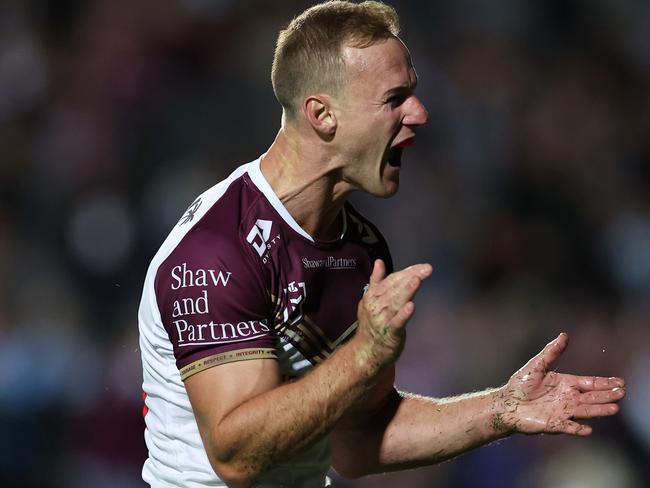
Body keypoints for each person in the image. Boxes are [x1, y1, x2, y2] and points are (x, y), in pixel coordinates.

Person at [138, 2, 626, 487]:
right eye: (395, 98)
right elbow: (236, 456)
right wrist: (364, 356)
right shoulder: (217, 249)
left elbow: (358, 442)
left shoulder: (359, 250)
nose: (419, 113)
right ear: (323, 114)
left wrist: (500, 409)